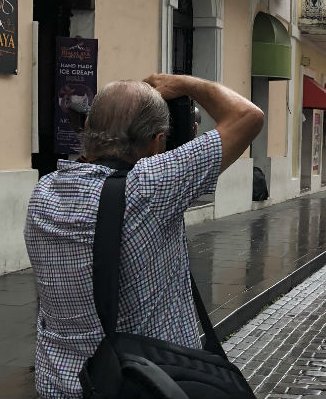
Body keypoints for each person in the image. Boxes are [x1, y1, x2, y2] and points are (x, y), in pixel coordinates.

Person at [24, 74, 263, 399]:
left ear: (87, 131)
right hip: (143, 383)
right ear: (155, 142)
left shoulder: (43, 193)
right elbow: (248, 117)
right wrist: (182, 85)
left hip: (61, 384)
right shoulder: (151, 186)